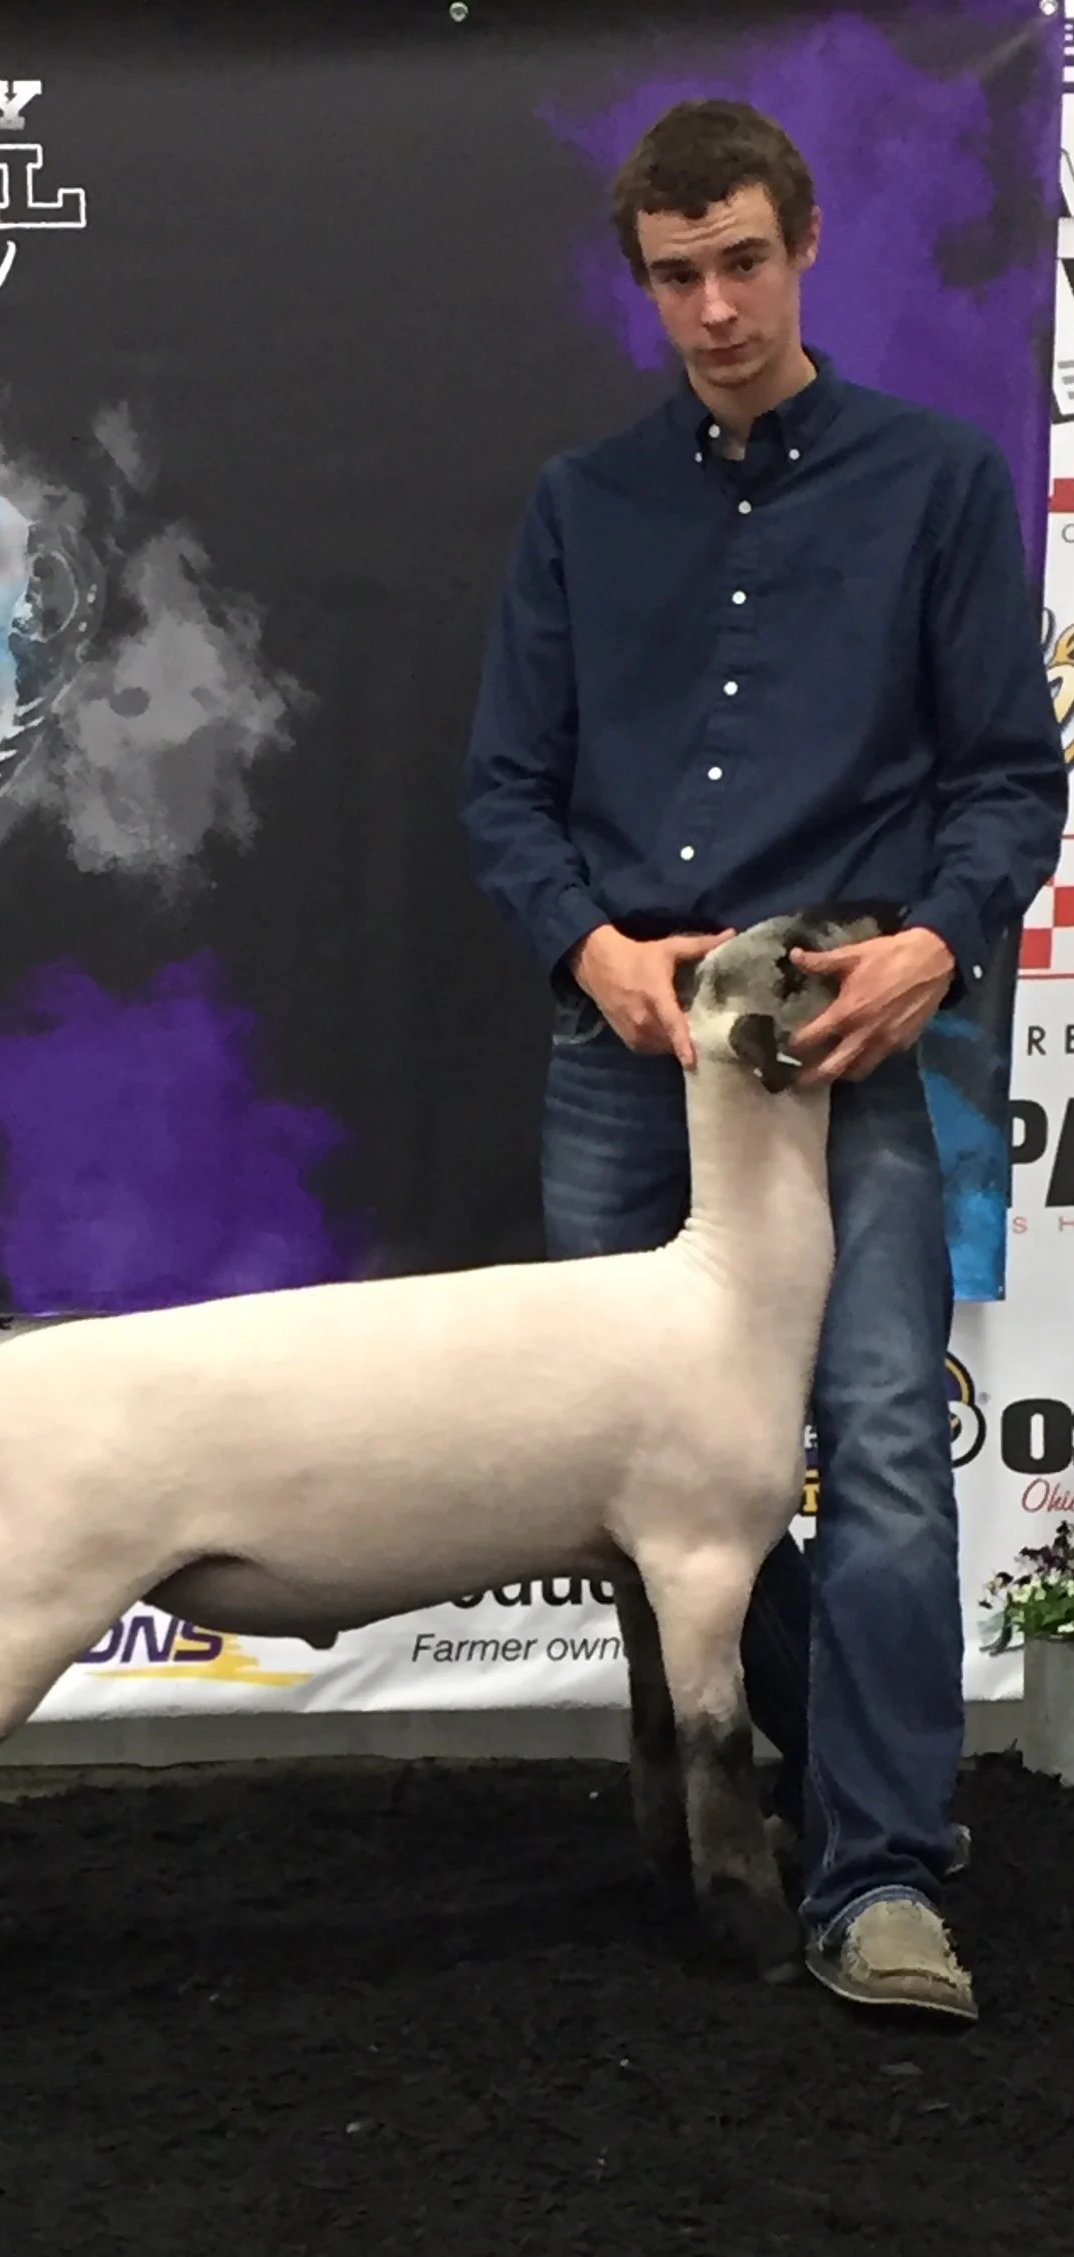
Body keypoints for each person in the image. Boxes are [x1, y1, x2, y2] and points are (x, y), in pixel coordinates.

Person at [462, 98, 1067, 2022]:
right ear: (640, 279)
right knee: (657, 1472)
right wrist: (589, 947)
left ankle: (880, 1871)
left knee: (882, 1438)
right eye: (675, 275)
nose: (714, 307)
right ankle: (778, 1806)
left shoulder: (940, 482)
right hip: (624, 1046)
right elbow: (504, 793)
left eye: (741, 261)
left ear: (802, 246)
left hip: (842, 1039)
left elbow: (1007, 774)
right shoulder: (581, 504)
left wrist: (938, 940)